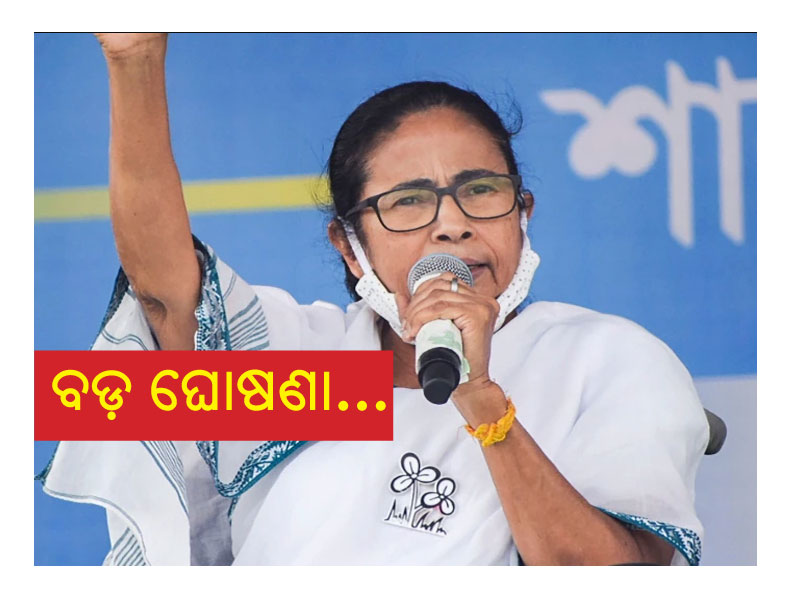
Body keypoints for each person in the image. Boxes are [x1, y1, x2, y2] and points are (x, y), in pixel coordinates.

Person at [37, 33, 709, 566]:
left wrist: (482, 401)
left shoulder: (602, 359)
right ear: (349, 246)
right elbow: (163, 297)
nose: (452, 224)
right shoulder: (317, 361)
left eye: (481, 190)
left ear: (523, 212)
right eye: (409, 202)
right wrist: (134, 59)